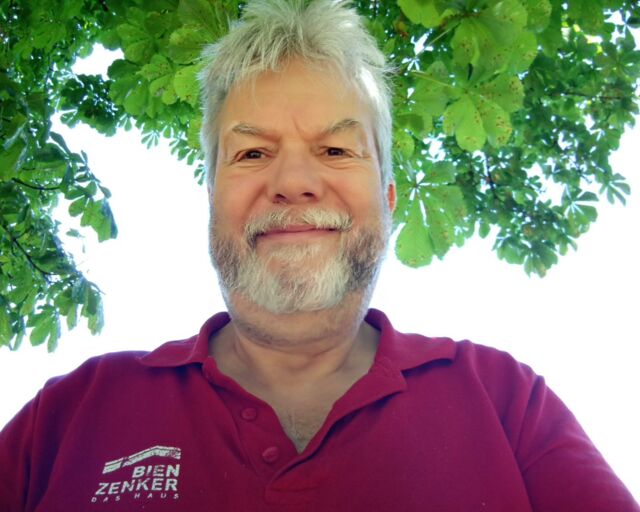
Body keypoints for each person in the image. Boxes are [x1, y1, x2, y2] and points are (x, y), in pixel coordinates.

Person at [1, 0, 638, 510]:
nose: (294, 182)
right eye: (252, 153)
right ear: (212, 197)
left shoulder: (506, 402)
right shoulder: (69, 414)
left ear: (388, 199)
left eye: (335, 150)